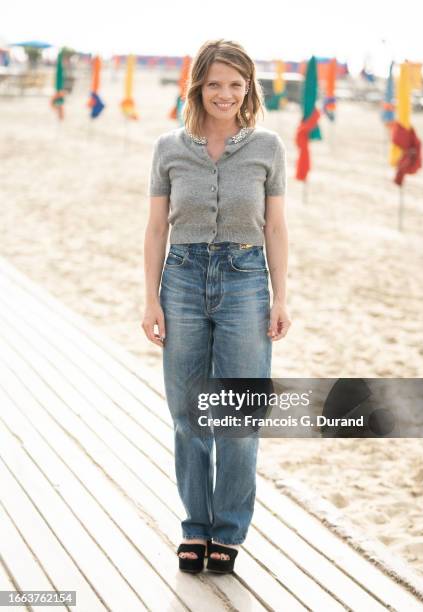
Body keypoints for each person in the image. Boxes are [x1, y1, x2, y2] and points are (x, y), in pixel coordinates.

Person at [142, 39, 291, 574]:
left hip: (246, 281)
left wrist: (281, 296)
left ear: (248, 88)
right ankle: (195, 528)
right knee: (187, 414)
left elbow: (275, 227)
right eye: (214, 84)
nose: (225, 94)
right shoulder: (169, 147)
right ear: (198, 88)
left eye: (235, 84)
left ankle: (228, 530)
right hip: (180, 280)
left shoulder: (269, 147)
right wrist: (150, 298)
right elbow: (157, 227)